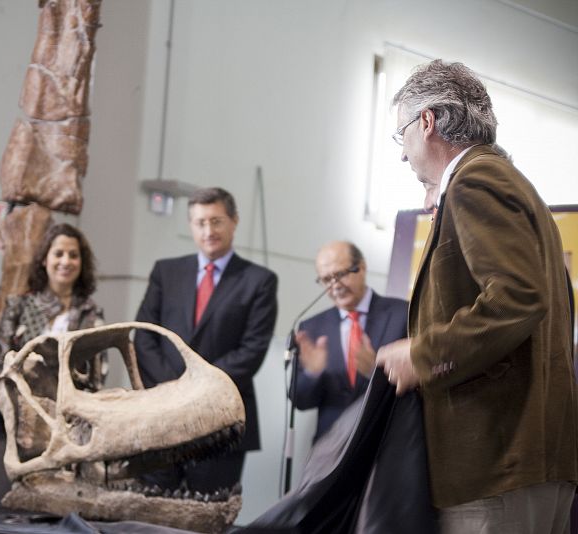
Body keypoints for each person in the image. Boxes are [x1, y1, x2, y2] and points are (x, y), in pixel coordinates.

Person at [376, 59, 578, 533]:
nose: (402, 155)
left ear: (426, 123)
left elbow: (516, 298)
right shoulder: (508, 182)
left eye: (399, 135)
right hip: (525, 460)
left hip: (495, 461)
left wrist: (423, 355)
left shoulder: (474, 180)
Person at [134, 186, 278, 493]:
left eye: (216, 221)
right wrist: (173, 387)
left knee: (208, 514)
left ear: (234, 221)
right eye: (200, 222)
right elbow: (144, 336)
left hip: (220, 422)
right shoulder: (166, 271)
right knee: (153, 511)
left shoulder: (259, 281)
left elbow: (251, 351)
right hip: (162, 413)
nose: (208, 230)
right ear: (191, 225)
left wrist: (198, 387)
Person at [0, 222, 106, 507]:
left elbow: (96, 380)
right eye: (58, 253)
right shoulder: (18, 307)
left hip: (63, 436)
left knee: (47, 516)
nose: (66, 261)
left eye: (73, 255)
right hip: (10, 425)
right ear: (45, 259)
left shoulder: (91, 314)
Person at [289, 241, 407, 442]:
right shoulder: (311, 327)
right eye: (326, 280)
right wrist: (312, 373)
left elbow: (418, 388)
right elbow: (300, 401)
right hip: (330, 446)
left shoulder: (403, 314)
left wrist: (375, 372)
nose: (335, 286)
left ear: (361, 268)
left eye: (341, 275)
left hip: (386, 441)